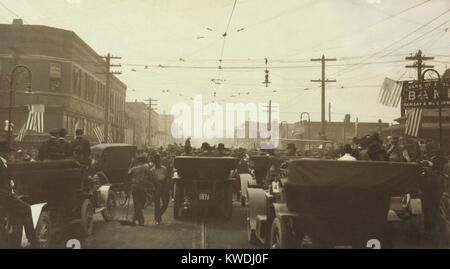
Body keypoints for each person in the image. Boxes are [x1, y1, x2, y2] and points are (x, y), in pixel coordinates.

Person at [0, 141, 37, 248]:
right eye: (8, 152)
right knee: (26, 208)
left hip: (5, 193)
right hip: (3, 195)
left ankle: (15, 241)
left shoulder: (3, 163)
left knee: (17, 214)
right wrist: (10, 192)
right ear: (4, 153)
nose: (10, 154)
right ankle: (33, 240)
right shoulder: (1, 163)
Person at [128, 156, 152, 226]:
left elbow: (128, 173)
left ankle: (134, 219)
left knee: (136, 205)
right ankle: (139, 221)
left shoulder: (134, 168)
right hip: (142, 187)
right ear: (143, 161)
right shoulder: (146, 167)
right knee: (142, 204)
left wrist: (131, 163)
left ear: (137, 162)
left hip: (134, 187)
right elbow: (150, 175)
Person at [150, 154, 170, 225]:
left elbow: (167, 178)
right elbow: (151, 181)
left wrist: (167, 188)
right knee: (157, 205)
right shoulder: (152, 170)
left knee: (165, 204)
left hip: (164, 187)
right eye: (156, 160)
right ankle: (157, 219)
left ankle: (158, 215)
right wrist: (153, 189)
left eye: (159, 160)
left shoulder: (164, 168)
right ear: (154, 161)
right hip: (156, 187)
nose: (158, 162)